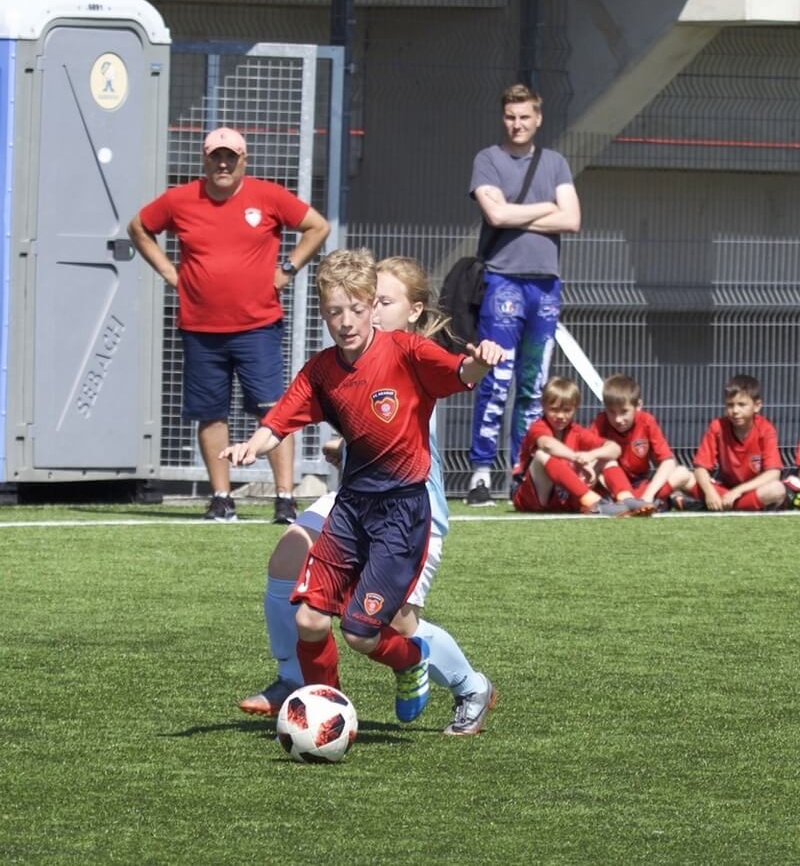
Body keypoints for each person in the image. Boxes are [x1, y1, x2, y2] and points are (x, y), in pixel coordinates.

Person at [221, 248, 503, 724]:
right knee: (301, 594)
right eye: (336, 310)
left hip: (409, 507)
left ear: (389, 307)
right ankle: (309, 694)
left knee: (378, 626)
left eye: (366, 305)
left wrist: (480, 363)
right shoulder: (325, 369)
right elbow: (290, 419)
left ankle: (460, 680)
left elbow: (458, 375)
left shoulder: (409, 354)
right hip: (353, 503)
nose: (348, 320)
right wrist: (254, 444)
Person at [128, 126, 330, 524]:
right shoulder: (180, 199)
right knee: (210, 413)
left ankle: (285, 499)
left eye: (230, 157)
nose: (223, 164)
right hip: (200, 328)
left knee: (273, 412)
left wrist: (287, 269)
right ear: (204, 160)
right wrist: (169, 272)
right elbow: (139, 227)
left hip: (258, 326)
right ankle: (221, 499)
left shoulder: (269, 196)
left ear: (243, 160)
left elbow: (318, 226)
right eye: (216, 157)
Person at [466, 84, 581, 505]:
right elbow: (495, 214)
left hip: (545, 285)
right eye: (511, 117)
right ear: (504, 118)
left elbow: (572, 219)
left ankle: (522, 472)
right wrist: (546, 208)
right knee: (496, 381)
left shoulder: (555, 162)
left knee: (533, 386)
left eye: (525, 117)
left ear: (538, 119)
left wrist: (519, 215)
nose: (517, 124)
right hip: (502, 281)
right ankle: (480, 473)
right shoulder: (488, 159)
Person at [510, 376, 655, 516]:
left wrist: (591, 456)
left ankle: (627, 499)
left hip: (564, 498)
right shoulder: (538, 427)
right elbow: (547, 445)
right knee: (542, 455)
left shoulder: (577, 432)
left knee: (606, 458)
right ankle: (592, 501)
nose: (560, 416)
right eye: (554, 409)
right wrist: (576, 458)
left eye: (567, 410)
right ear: (543, 406)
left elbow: (614, 449)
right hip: (533, 497)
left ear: (576, 407)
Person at [677, 374, 785, 512]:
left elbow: (773, 473)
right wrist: (710, 493)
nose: (735, 411)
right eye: (730, 405)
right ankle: (730, 505)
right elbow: (700, 468)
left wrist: (739, 491)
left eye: (742, 405)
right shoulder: (717, 427)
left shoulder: (766, 429)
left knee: (777, 489)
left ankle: (716, 507)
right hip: (723, 490)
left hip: (750, 490)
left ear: (757, 406)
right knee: (682, 475)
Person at [591, 374, 694, 510]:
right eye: (611, 412)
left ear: (638, 405)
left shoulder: (647, 422)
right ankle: (656, 501)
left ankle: (643, 502)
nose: (618, 419)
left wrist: (649, 494)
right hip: (612, 486)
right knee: (608, 461)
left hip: (640, 484)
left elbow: (668, 461)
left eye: (624, 412)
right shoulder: (600, 423)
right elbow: (590, 462)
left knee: (681, 473)